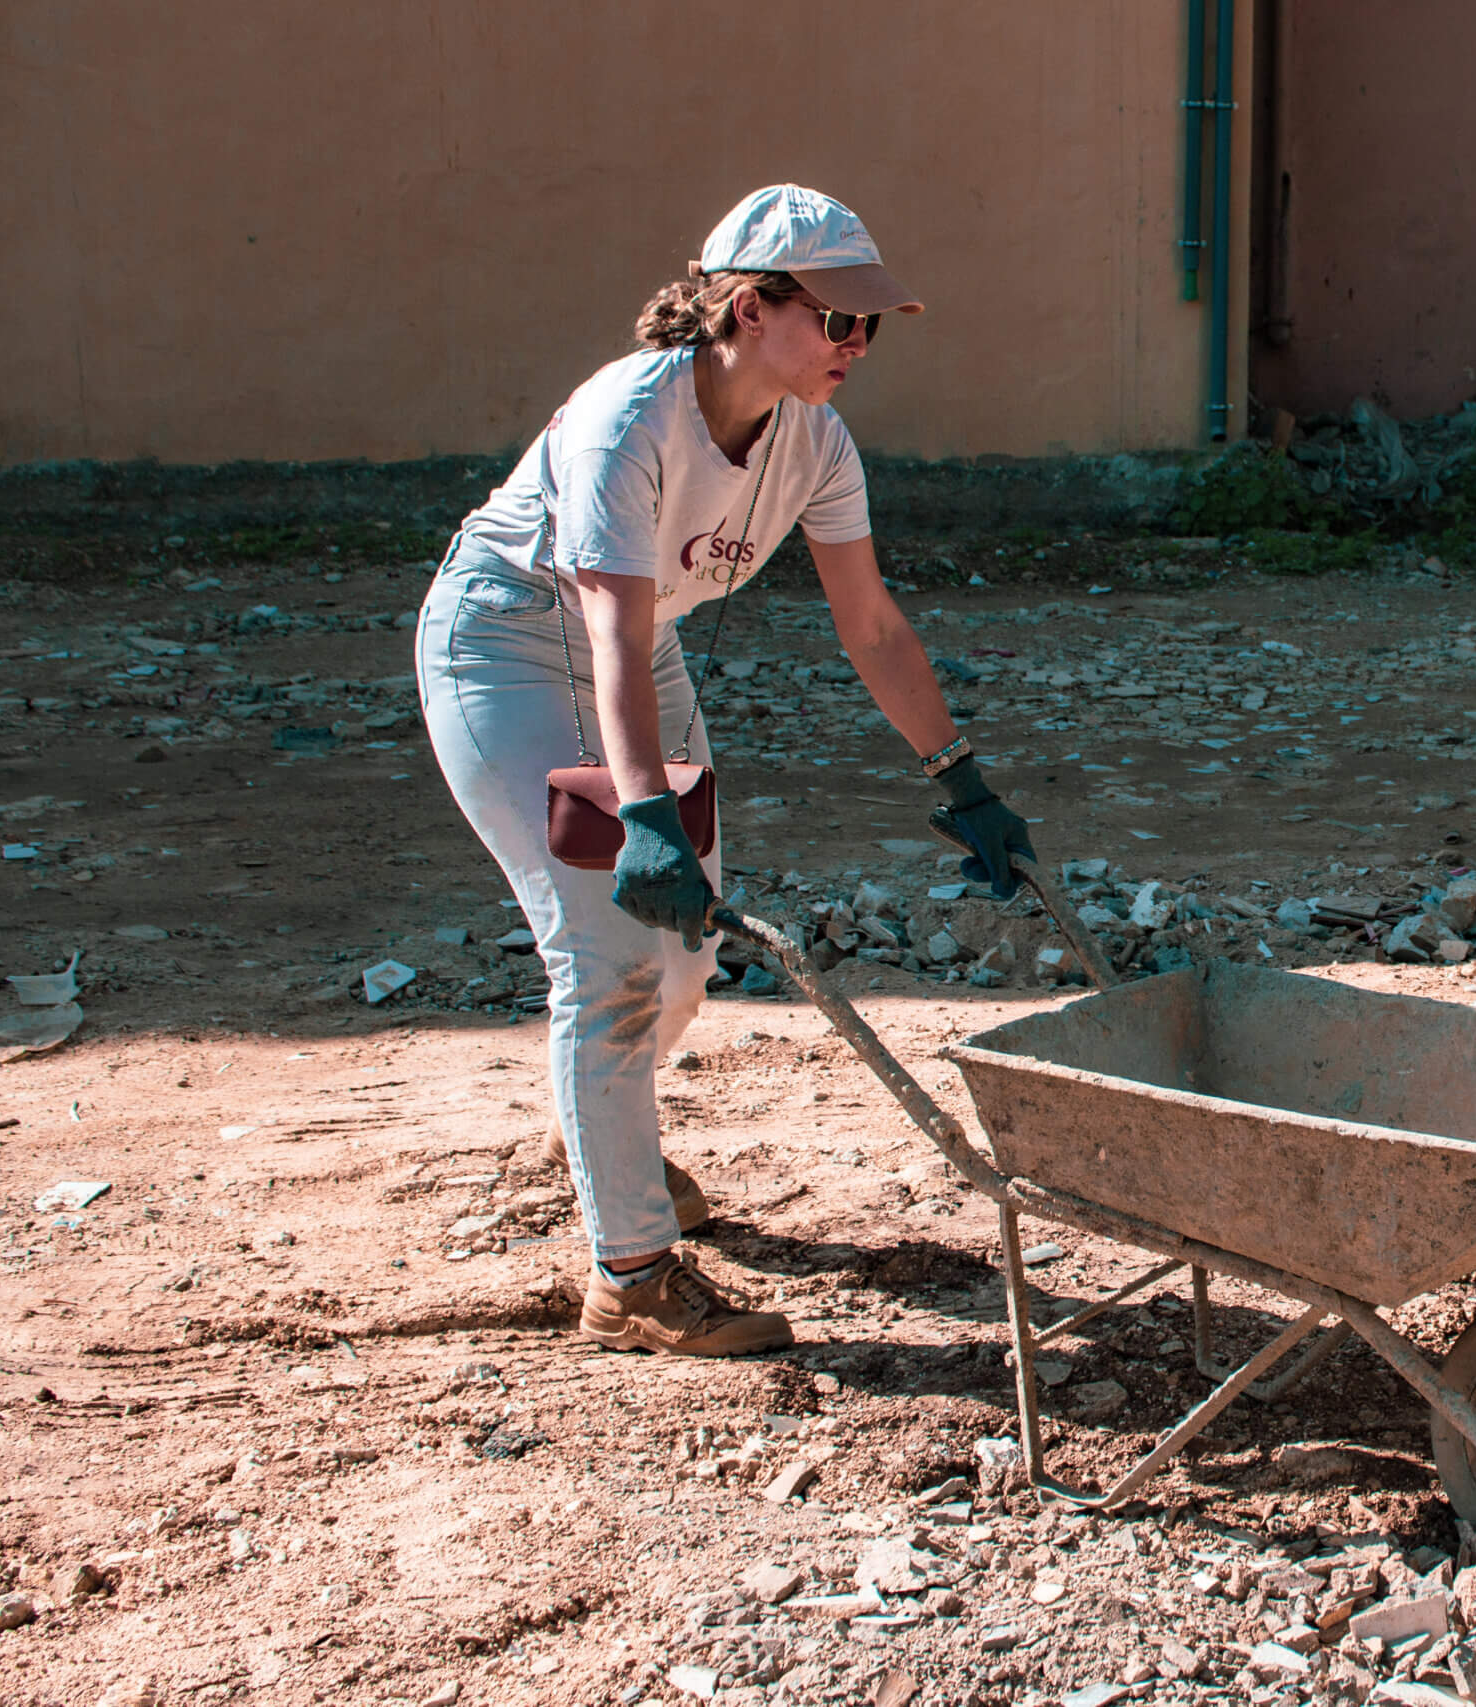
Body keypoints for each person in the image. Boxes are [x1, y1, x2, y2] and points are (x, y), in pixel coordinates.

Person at [415, 185, 1034, 1357]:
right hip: (505, 648)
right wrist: (642, 811)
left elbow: (872, 626)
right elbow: (604, 628)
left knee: (686, 947)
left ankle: (600, 1129)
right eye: (837, 321)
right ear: (750, 308)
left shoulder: (814, 438)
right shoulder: (626, 423)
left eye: (872, 327)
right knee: (603, 952)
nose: (857, 347)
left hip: (637, 656)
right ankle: (633, 1277)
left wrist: (962, 780)